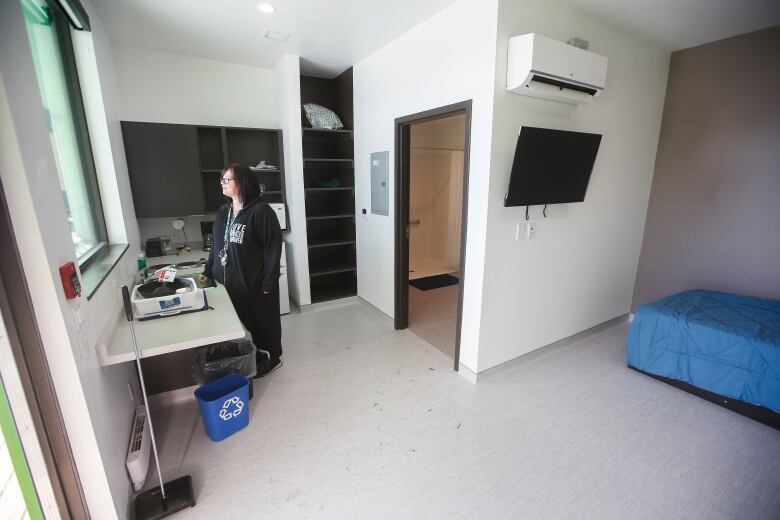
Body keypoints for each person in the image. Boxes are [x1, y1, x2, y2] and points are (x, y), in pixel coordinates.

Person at [199, 163, 283, 378]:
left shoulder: (260, 211)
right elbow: (218, 245)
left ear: (242, 182)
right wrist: (208, 271)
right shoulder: (224, 211)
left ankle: (272, 358)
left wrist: (269, 282)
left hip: (254, 284)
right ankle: (257, 354)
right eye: (222, 179)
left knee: (264, 323)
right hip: (229, 284)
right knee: (246, 323)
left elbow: (273, 247)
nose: (222, 183)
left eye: (227, 179)